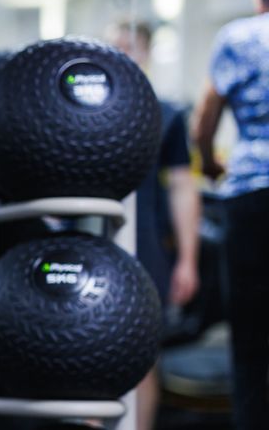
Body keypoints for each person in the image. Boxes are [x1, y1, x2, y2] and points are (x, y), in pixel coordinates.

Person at [107, 21, 201, 430]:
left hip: (148, 249)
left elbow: (184, 188)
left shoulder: (167, 115)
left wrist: (188, 261)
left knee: (144, 358)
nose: (123, 55)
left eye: (130, 47)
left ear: (145, 53)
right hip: (96, 243)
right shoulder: (83, 117)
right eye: (115, 47)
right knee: (86, 352)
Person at [192, 0, 269, 429]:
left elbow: (205, 120)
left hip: (252, 197)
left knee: (251, 337)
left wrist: (210, 165)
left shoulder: (239, 37)